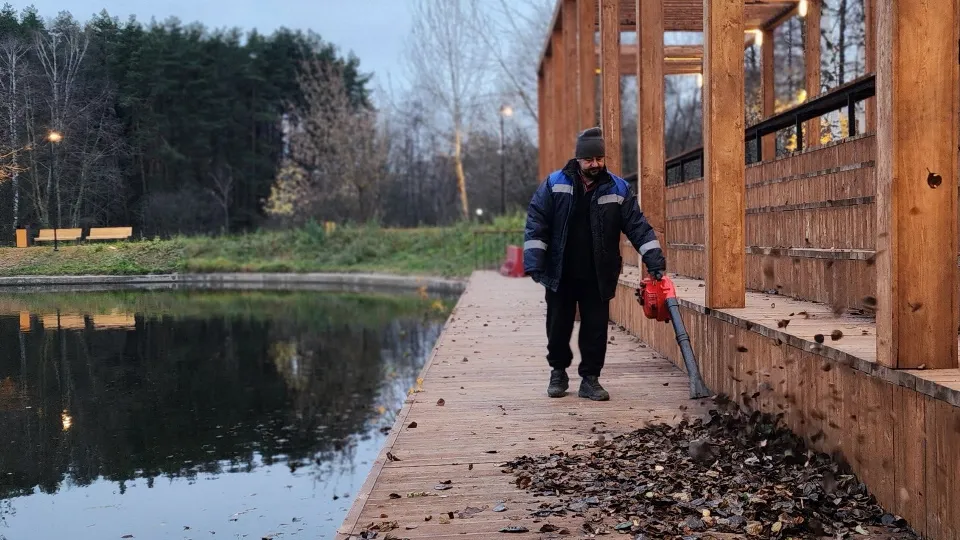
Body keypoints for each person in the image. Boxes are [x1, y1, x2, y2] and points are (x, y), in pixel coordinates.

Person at [523, 126, 666, 401]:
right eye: (589, 159)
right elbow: (536, 222)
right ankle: (558, 373)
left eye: (599, 159)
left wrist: (654, 261)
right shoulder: (554, 184)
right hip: (561, 272)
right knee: (558, 326)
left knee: (596, 328)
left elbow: (638, 227)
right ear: (578, 159)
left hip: (598, 273)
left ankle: (590, 379)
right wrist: (534, 263)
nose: (595, 164)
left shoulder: (618, 188)